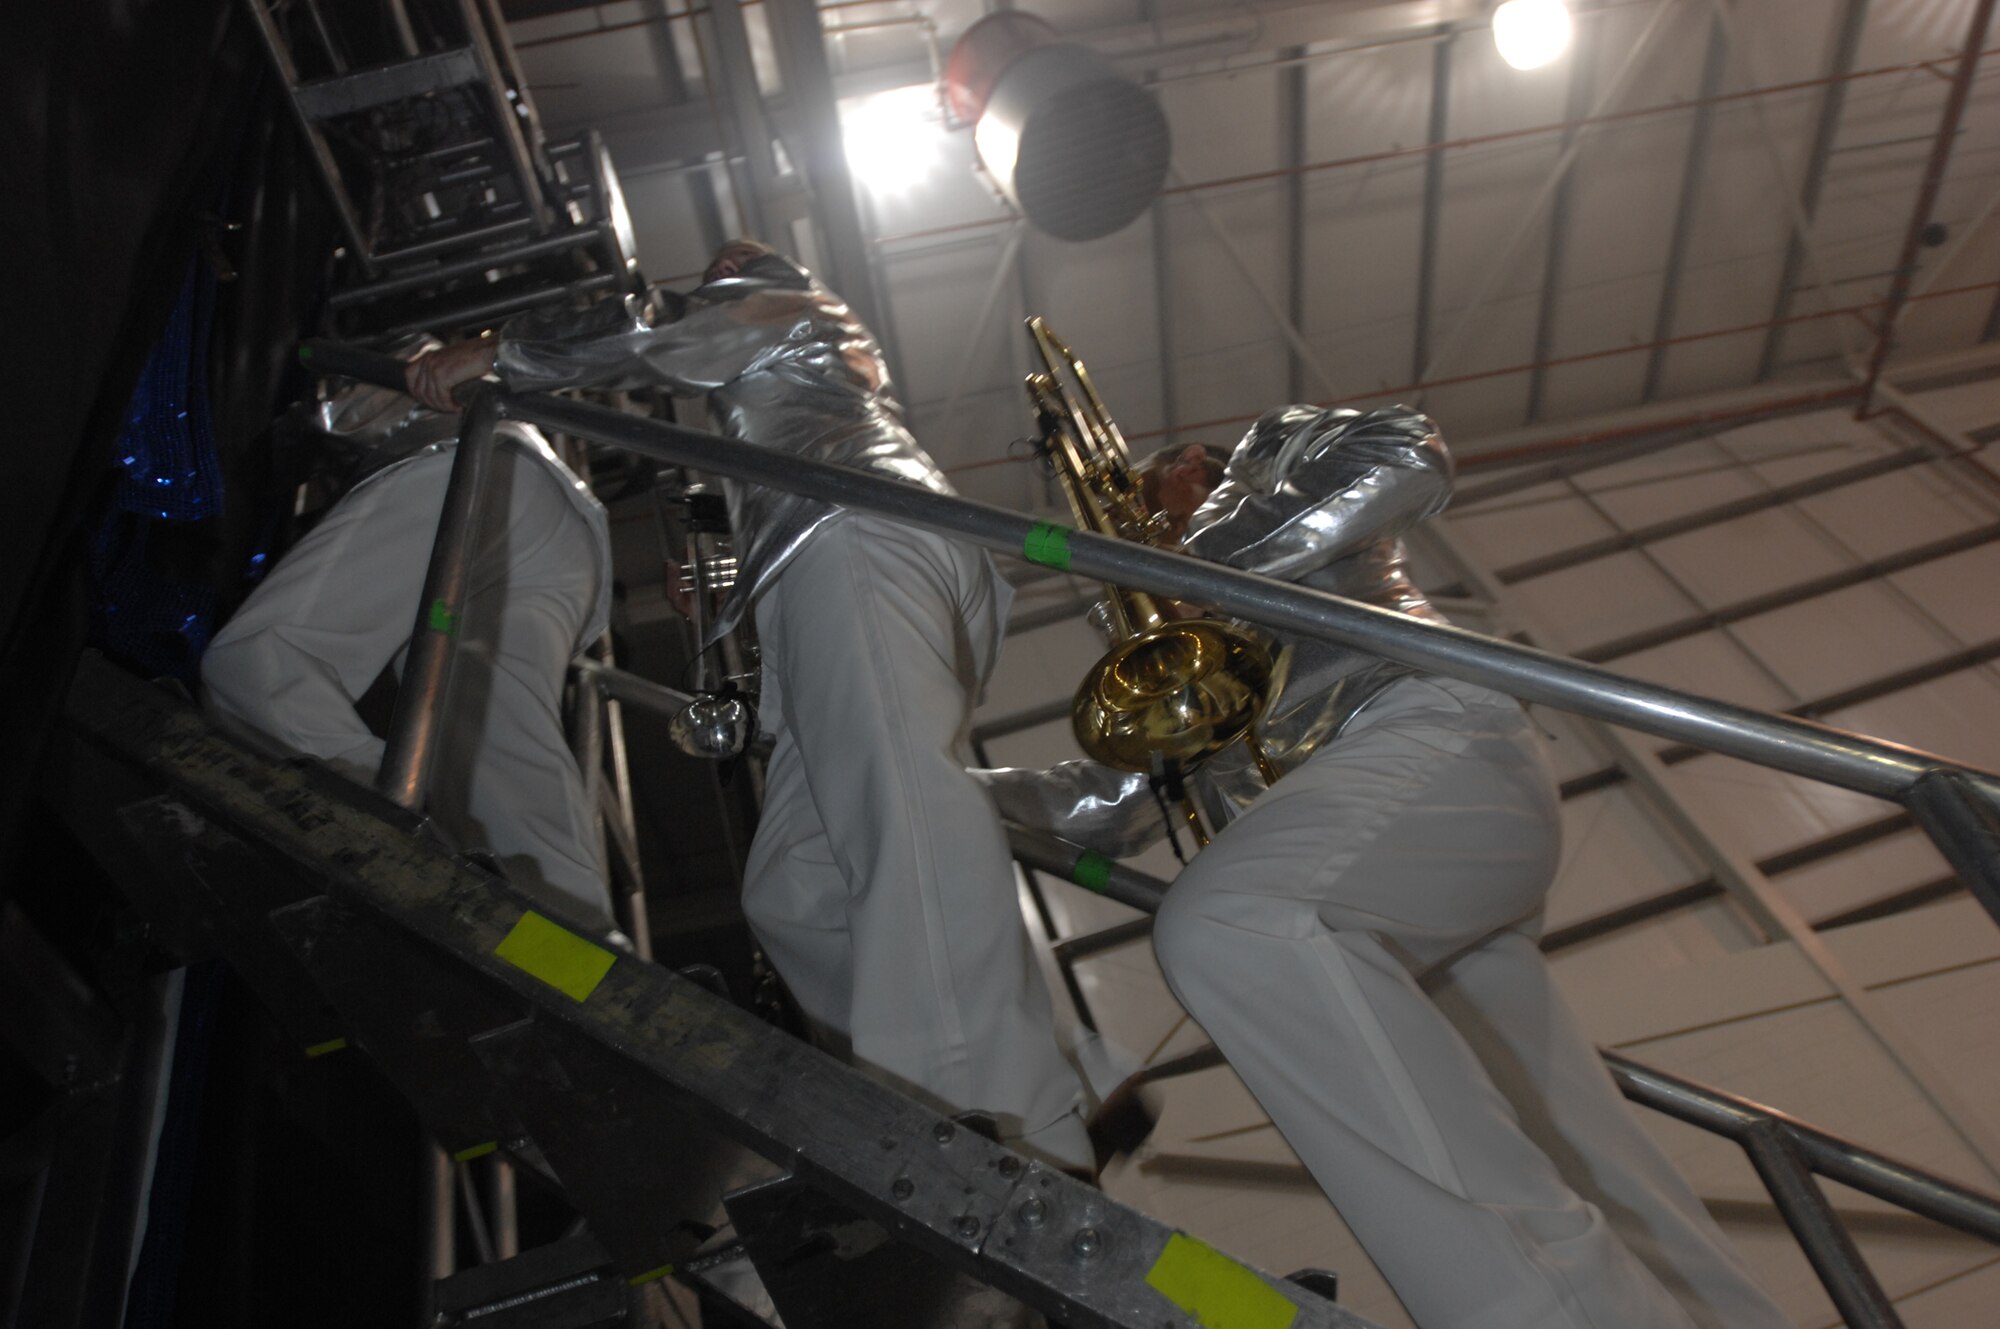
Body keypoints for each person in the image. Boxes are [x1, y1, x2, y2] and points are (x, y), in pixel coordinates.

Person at [1003, 407, 1793, 1329]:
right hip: (1378, 869)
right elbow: (1100, 805)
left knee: (1233, 922)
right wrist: (923, 785)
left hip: (1427, 733)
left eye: (1145, 516)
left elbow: (1407, 450)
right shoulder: (1188, 651)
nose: (1139, 567)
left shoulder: (1266, 464)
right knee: (1583, 1154)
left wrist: (1199, 558)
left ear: (1187, 468)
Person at [406, 242, 1097, 1173]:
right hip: (841, 545)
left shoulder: (785, 307)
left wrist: (500, 352)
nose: (723, 262)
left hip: (857, 529)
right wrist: (731, 588)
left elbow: (666, 337)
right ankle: (920, 1093)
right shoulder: (792, 381)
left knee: (897, 801)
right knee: (794, 888)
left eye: (741, 257)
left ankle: (1006, 1123)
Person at [201, 345, 617, 930]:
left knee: (258, 659)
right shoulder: (458, 373)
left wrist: (313, 411)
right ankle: (580, 952)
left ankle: (399, 838)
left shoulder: (415, 363)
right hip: (560, 531)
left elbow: (338, 417)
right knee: (495, 757)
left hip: (471, 468)